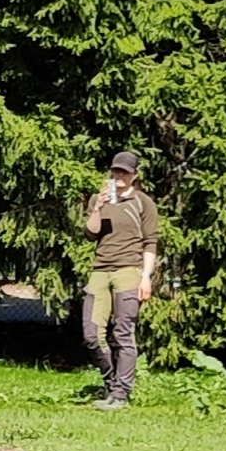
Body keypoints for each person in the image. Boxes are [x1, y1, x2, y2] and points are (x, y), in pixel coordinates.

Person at [83, 149, 161, 409]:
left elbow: (151, 242)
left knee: (123, 333)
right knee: (92, 334)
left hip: (130, 271)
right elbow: (91, 234)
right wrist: (98, 208)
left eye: (124, 172)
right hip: (100, 270)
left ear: (134, 175)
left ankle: (121, 394)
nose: (119, 176)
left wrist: (146, 277)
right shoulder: (98, 199)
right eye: (115, 171)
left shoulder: (143, 203)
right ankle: (111, 383)